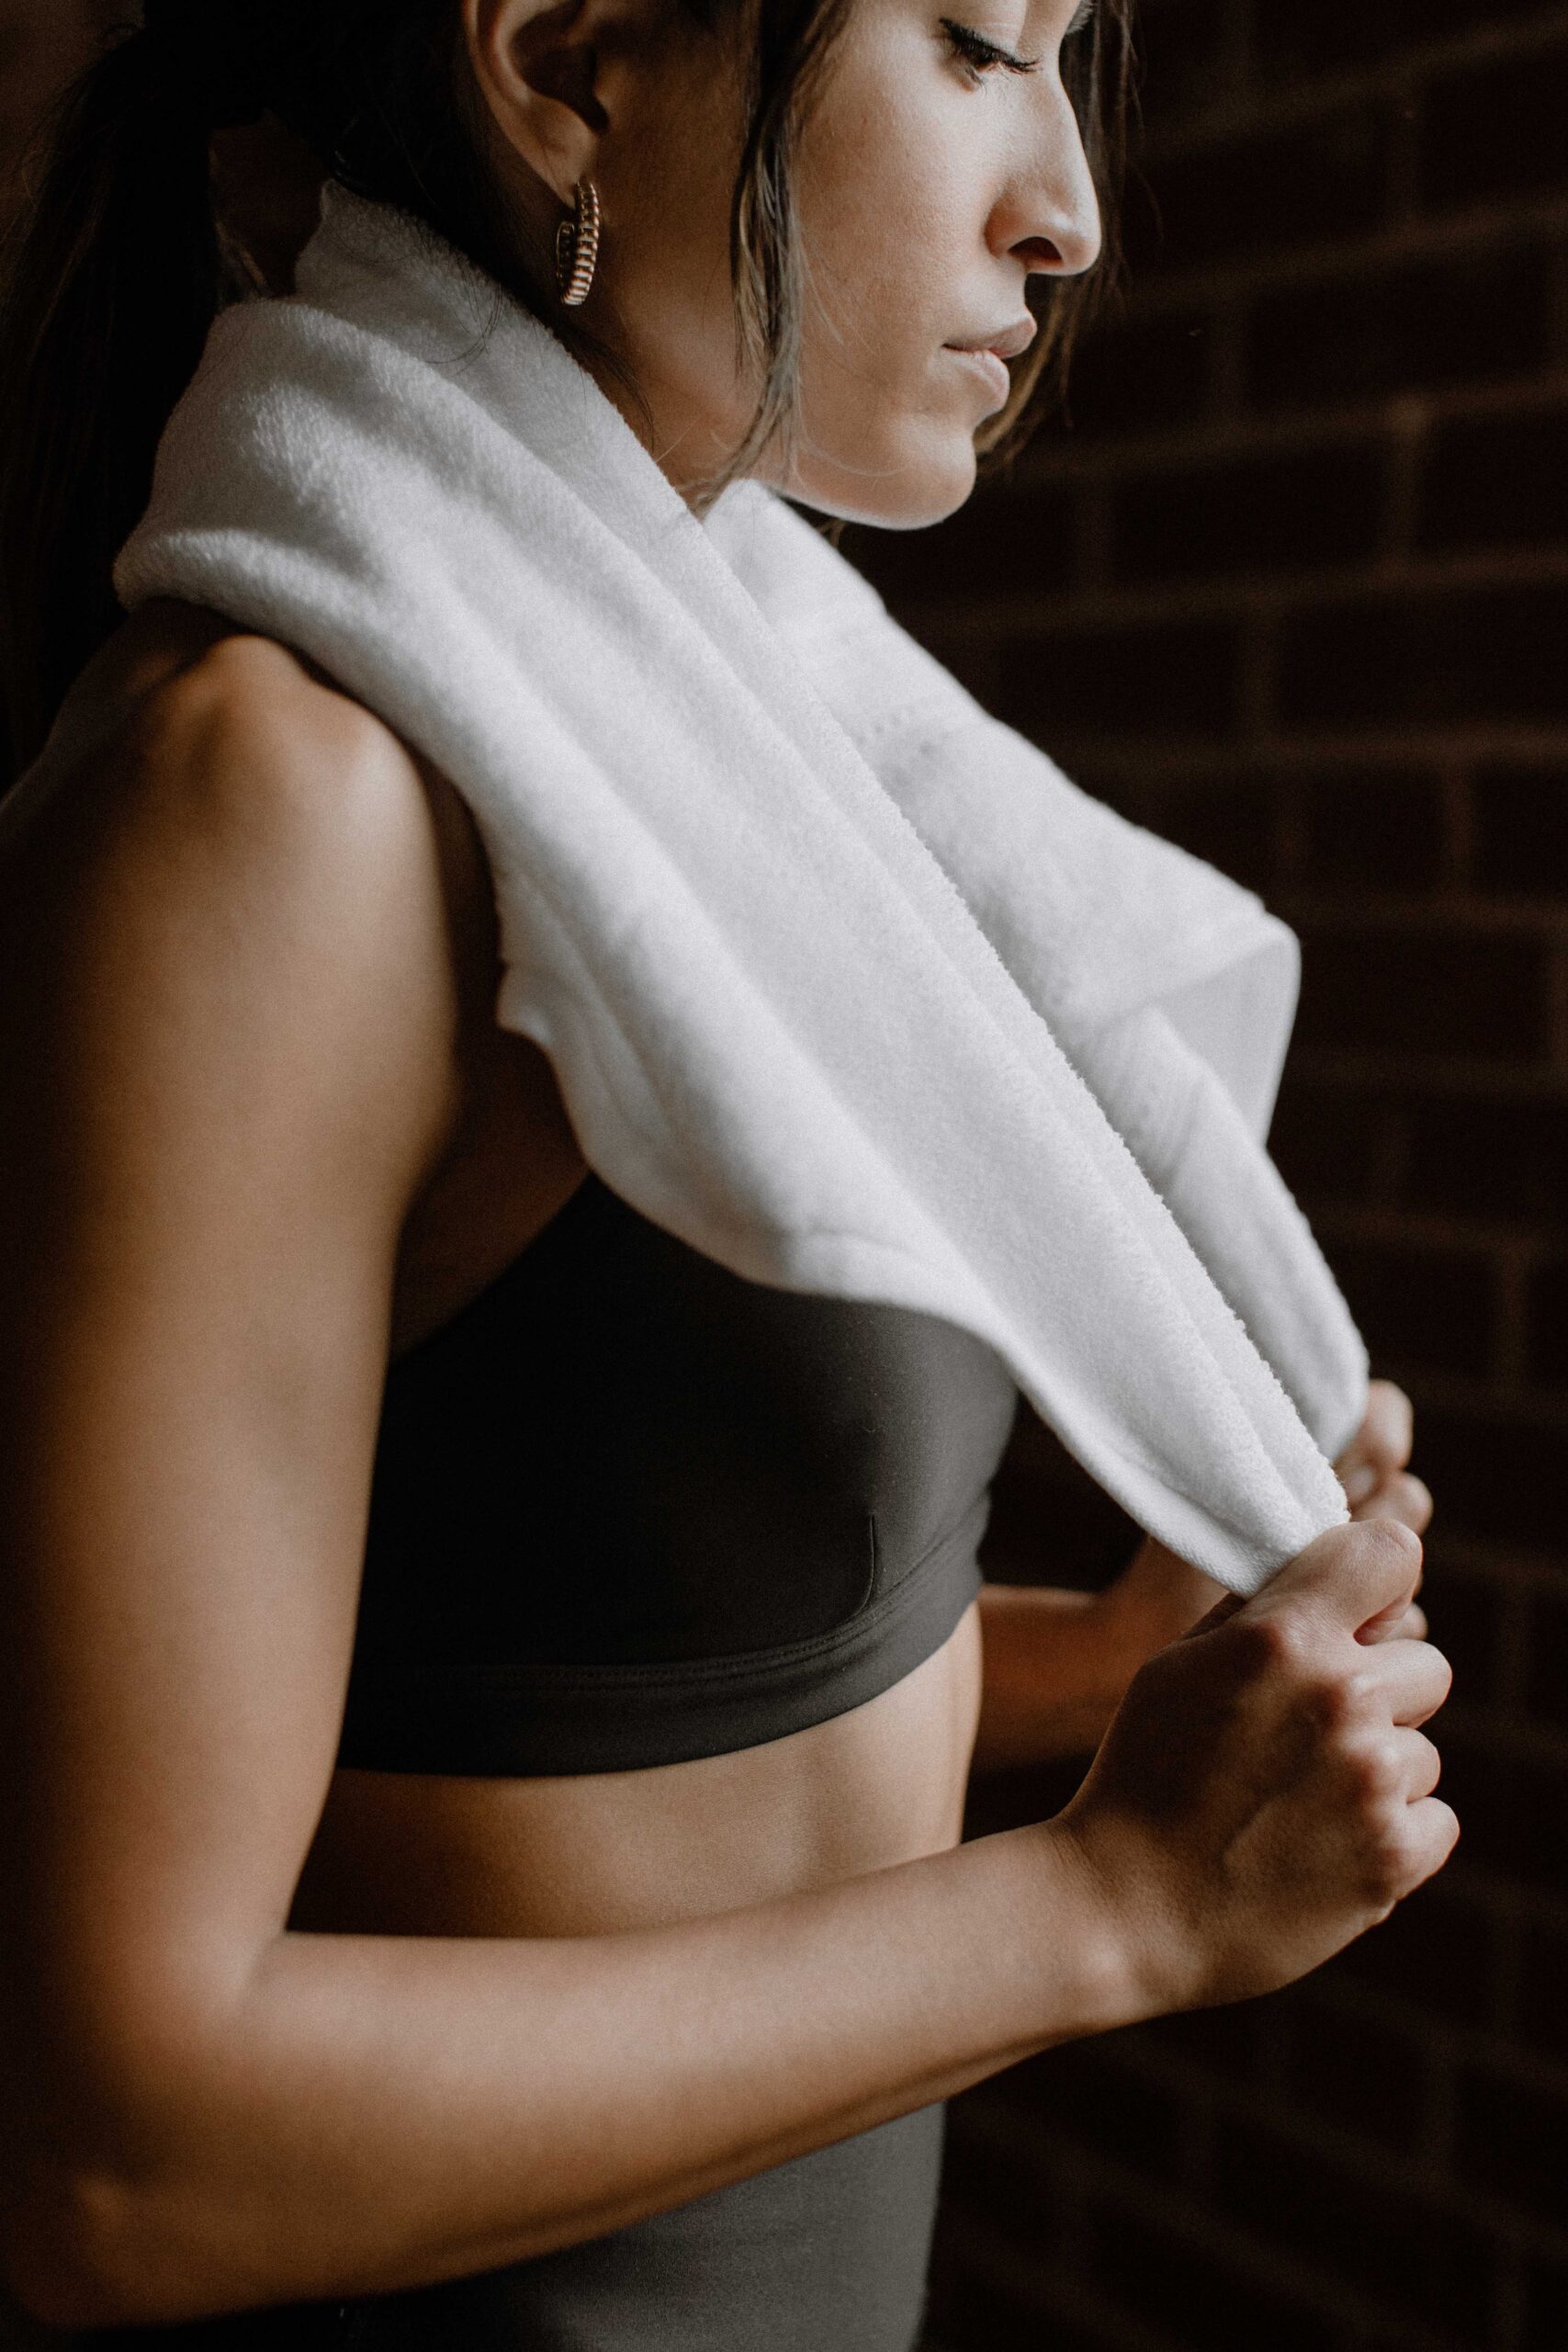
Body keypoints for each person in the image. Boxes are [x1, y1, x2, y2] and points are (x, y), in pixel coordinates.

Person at [0, 2, 1452, 2346]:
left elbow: (510, 1684)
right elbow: (102, 2148)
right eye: (977, 42)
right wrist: (1100, 1917)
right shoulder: (274, 818)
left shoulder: (708, 744)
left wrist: (1087, 1673)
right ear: (567, 62)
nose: (1065, 208)